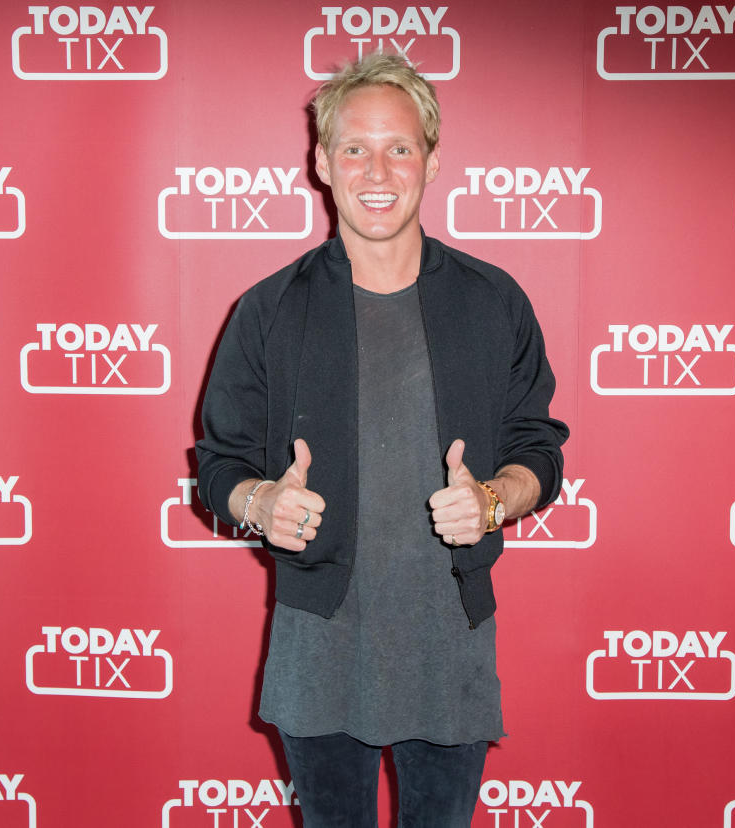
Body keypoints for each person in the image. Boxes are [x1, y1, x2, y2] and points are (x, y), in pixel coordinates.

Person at [195, 52, 568, 827]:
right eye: (355, 148)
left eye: (399, 147)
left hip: (449, 646)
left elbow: (538, 447)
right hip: (318, 639)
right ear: (322, 163)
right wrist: (260, 500)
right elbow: (217, 465)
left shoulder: (494, 302)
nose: (378, 169)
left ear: (432, 159)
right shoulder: (268, 311)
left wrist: (495, 500)